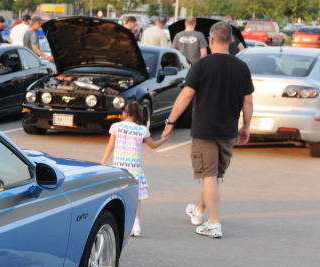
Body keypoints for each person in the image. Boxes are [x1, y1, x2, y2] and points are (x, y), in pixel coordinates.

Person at [161, 21, 253, 239]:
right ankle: (199, 210)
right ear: (230, 41)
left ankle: (213, 223)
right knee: (213, 175)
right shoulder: (242, 67)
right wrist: (246, 126)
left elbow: (186, 95)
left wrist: (170, 122)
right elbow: (248, 102)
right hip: (228, 130)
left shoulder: (201, 65)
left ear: (211, 40)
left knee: (209, 176)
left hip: (205, 130)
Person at [99, 100, 165, 237]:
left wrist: (103, 162)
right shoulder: (142, 130)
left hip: (119, 170)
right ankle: (136, 225)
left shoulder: (116, 127)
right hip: (135, 170)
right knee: (136, 198)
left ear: (126, 113)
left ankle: (120, 224)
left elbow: (110, 146)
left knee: (118, 198)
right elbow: (153, 145)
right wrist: (164, 139)